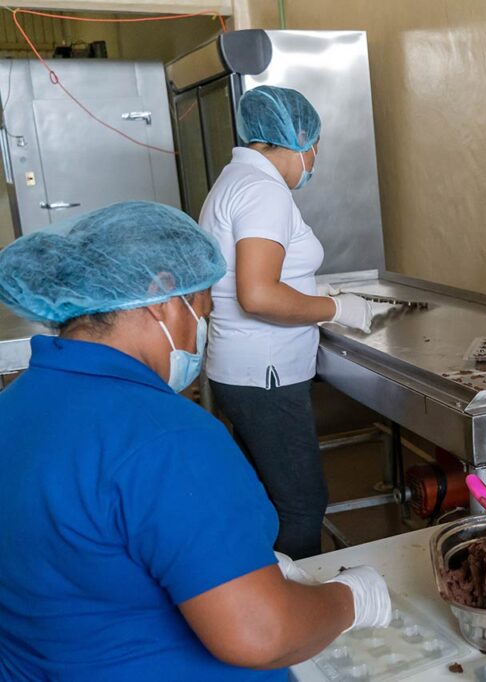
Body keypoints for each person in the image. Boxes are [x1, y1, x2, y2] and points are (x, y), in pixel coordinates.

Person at [0, 201, 391, 680]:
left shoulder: (15, 406)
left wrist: (224, 555)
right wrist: (351, 599)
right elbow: (262, 634)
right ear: (162, 296)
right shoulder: (167, 436)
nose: (198, 335)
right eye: (200, 310)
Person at [199, 86, 389, 559]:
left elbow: (254, 278)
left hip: (240, 369)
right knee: (301, 505)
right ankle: (295, 610)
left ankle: (267, 590)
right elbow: (258, 293)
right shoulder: (264, 192)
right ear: (297, 138)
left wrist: (313, 292)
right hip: (266, 375)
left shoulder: (236, 180)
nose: (315, 159)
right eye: (315, 146)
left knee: (265, 498)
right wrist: (335, 309)